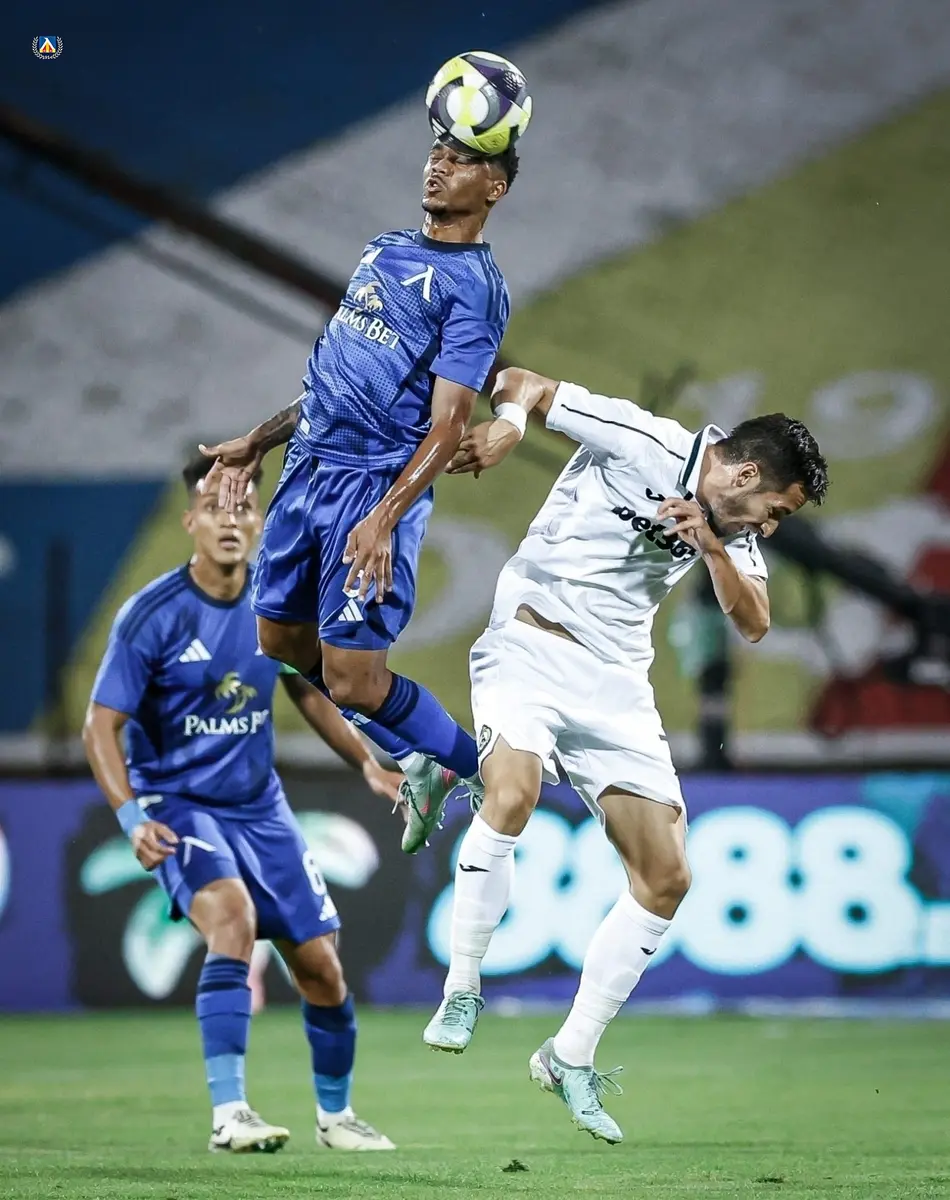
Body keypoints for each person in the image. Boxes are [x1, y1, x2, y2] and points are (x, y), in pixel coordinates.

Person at [423, 368, 830, 1143]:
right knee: (512, 794)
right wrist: (510, 422)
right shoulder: (644, 440)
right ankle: (463, 986)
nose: (772, 527)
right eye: (776, 510)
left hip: (614, 687)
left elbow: (755, 622)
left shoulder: (733, 527)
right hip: (530, 646)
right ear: (746, 475)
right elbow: (522, 381)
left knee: (667, 876)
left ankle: (569, 1055)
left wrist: (712, 547)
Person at [198, 136, 518, 854]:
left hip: (371, 486)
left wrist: (384, 517)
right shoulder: (383, 250)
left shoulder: (475, 287)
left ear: (494, 187)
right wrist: (259, 439)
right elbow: (330, 382)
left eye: (461, 159)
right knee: (278, 638)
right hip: (307, 467)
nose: (438, 165)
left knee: (352, 682)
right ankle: (417, 759)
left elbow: (449, 424)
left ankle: (486, 775)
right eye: (435, 151)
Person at [83, 456, 401, 1153]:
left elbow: (309, 690)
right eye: (215, 510)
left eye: (243, 509)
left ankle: (336, 1117)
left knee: (321, 966)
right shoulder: (152, 615)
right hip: (177, 802)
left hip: (259, 807)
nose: (230, 522)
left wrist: (367, 764)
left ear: (260, 522)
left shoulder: (275, 605)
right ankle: (230, 1113)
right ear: (190, 522)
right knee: (232, 917)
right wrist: (132, 817)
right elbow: (99, 726)